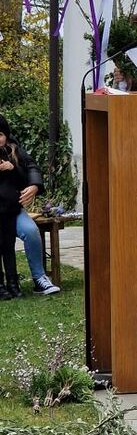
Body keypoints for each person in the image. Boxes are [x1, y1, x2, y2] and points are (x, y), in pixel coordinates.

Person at [0, 114, 49, 299]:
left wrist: (35, 185)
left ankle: (38, 278)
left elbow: (31, 167)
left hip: (11, 209)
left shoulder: (13, 148)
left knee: (30, 231)